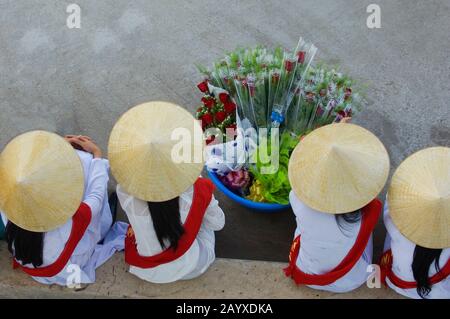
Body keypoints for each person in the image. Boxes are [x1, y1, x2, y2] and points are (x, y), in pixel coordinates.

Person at [108, 101, 225, 283]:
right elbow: (218, 224)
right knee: (205, 220)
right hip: (192, 266)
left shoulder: (125, 189)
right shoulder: (198, 187)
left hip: (146, 270)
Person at [0, 131, 126, 286]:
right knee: (88, 172)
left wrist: (55, 147)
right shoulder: (76, 217)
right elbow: (96, 196)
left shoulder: (9, 201)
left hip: (29, 261)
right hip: (65, 265)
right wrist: (96, 153)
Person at [284, 123, 390, 292]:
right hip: (351, 281)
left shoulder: (298, 199)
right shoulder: (363, 212)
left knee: (304, 227)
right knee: (365, 234)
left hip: (307, 272)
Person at [380, 147, 450, 299]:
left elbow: (390, 204)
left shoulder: (396, 228)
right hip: (440, 294)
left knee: (393, 228)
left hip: (397, 283)